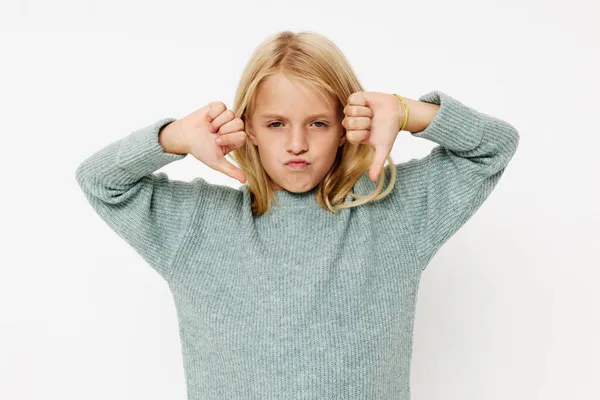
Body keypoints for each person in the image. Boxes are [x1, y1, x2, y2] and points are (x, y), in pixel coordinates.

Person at [75, 30, 519, 400]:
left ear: (348, 126)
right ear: (246, 127)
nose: (297, 145)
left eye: (318, 123)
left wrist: (408, 111)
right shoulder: (197, 225)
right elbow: (100, 182)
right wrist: (171, 138)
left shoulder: (392, 211)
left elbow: (493, 148)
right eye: (275, 124)